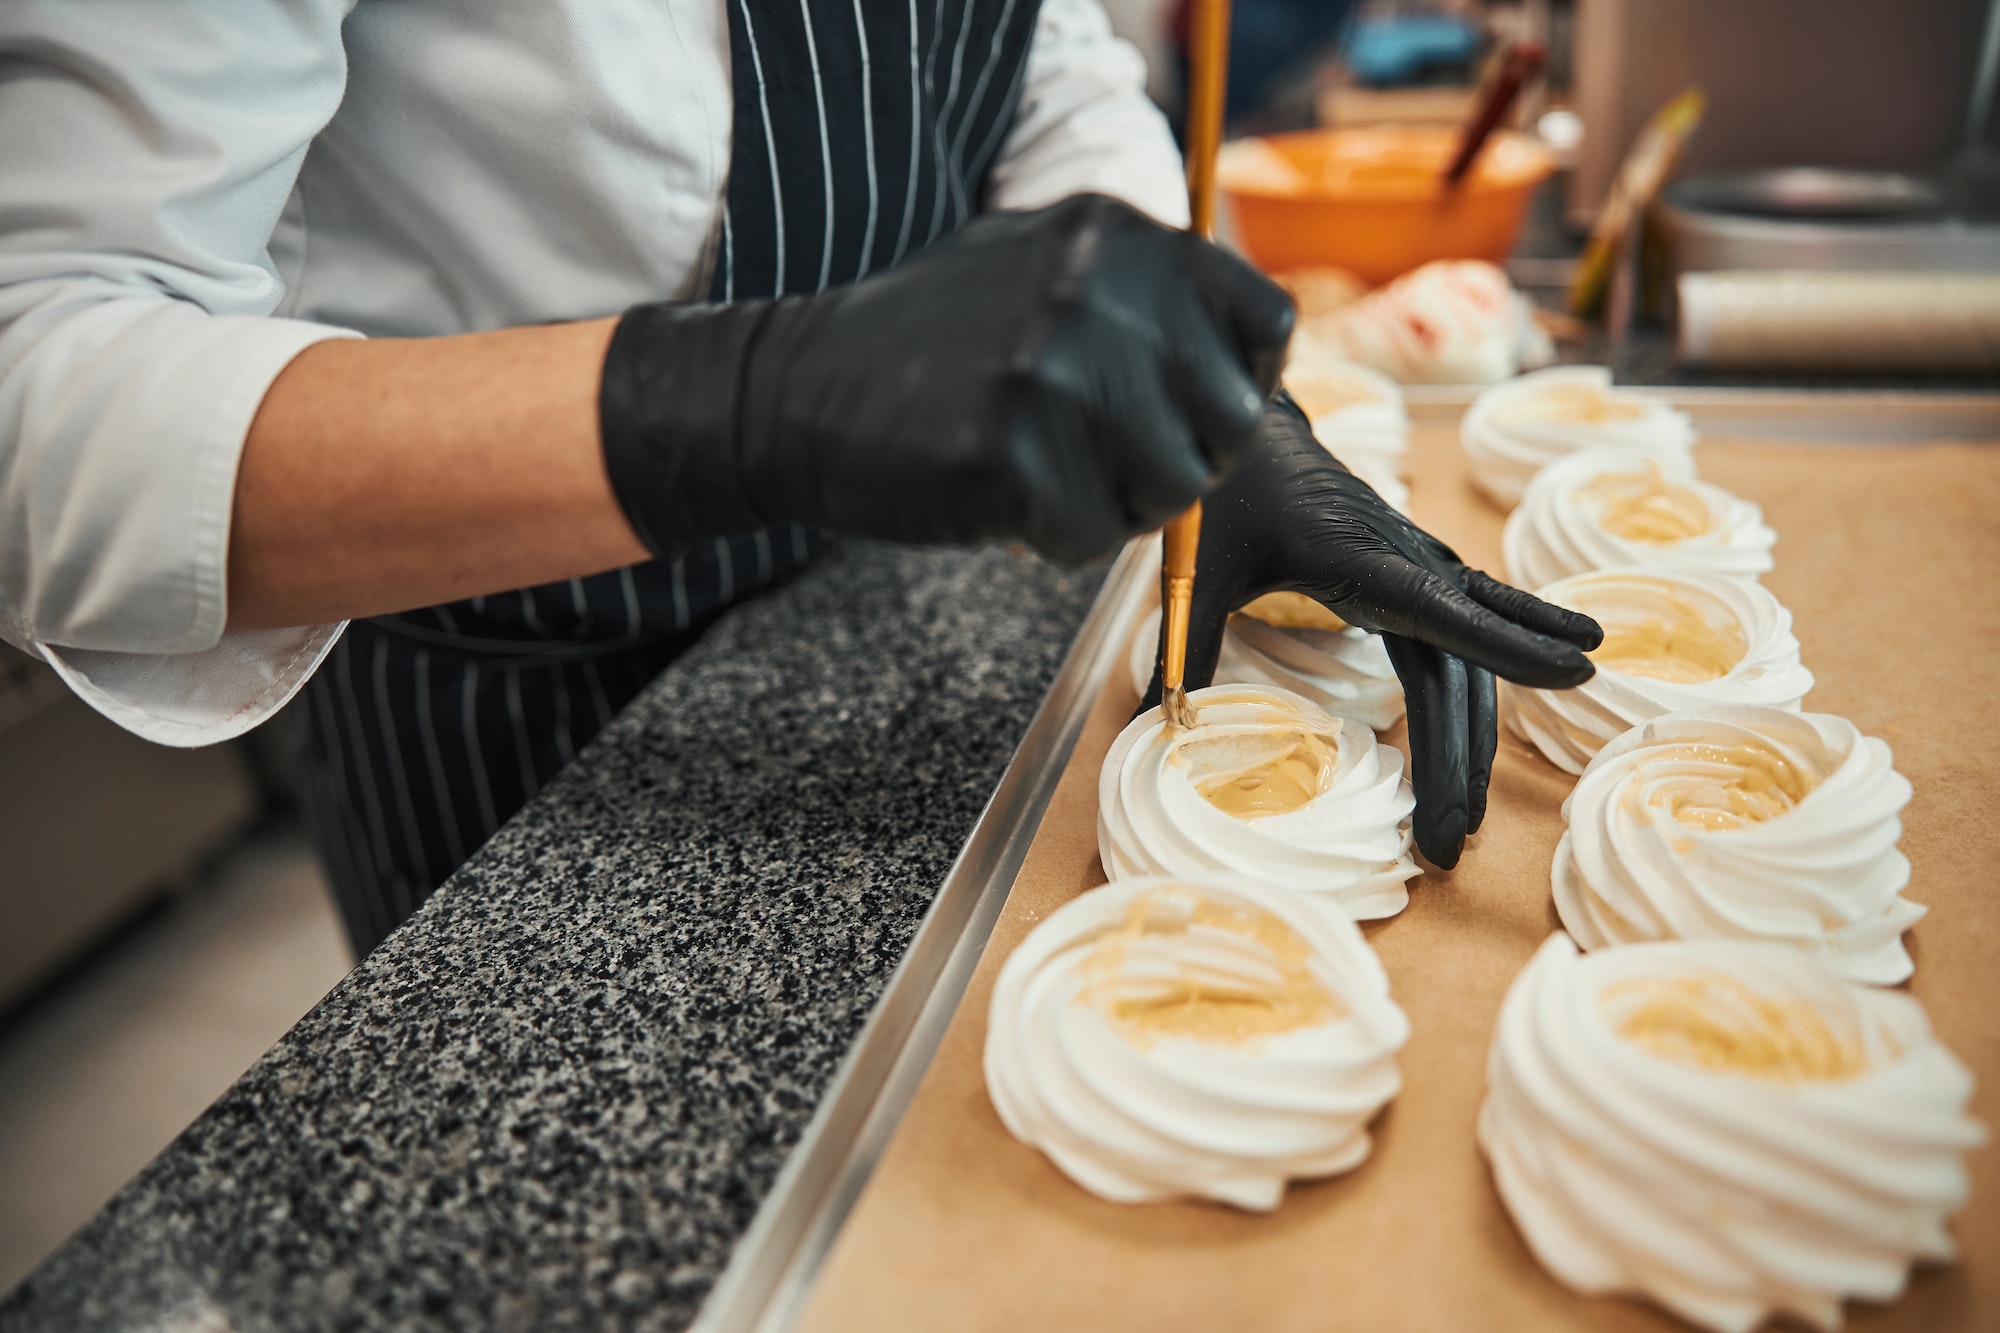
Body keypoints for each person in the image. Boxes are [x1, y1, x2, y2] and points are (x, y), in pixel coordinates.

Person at [0, 0, 1597, 959]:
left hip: (881, 640)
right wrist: (725, 403)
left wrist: (1202, 396)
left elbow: (1031, 60)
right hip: (510, 727)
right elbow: (38, 374)